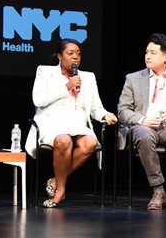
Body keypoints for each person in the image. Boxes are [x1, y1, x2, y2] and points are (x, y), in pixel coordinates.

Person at [25, 38, 117, 208]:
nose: (75, 57)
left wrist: (106, 116)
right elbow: (38, 99)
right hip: (53, 123)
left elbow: (95, 107)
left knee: (90, 143)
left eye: (78, 54)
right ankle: (60, 190)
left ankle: (55, 181)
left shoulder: (88, 77)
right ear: (60, 56)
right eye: (70, 53)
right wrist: (67, 85)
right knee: (63, 140)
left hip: (78, 124)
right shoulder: (45, 72)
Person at [118, 33, 166, 211]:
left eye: (153, 53)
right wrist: (143, 120)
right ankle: (158, 191)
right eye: (147, 52)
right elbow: (123, 110)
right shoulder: (133, 78)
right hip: (143, 126)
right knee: (145, 137)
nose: (148, 56)